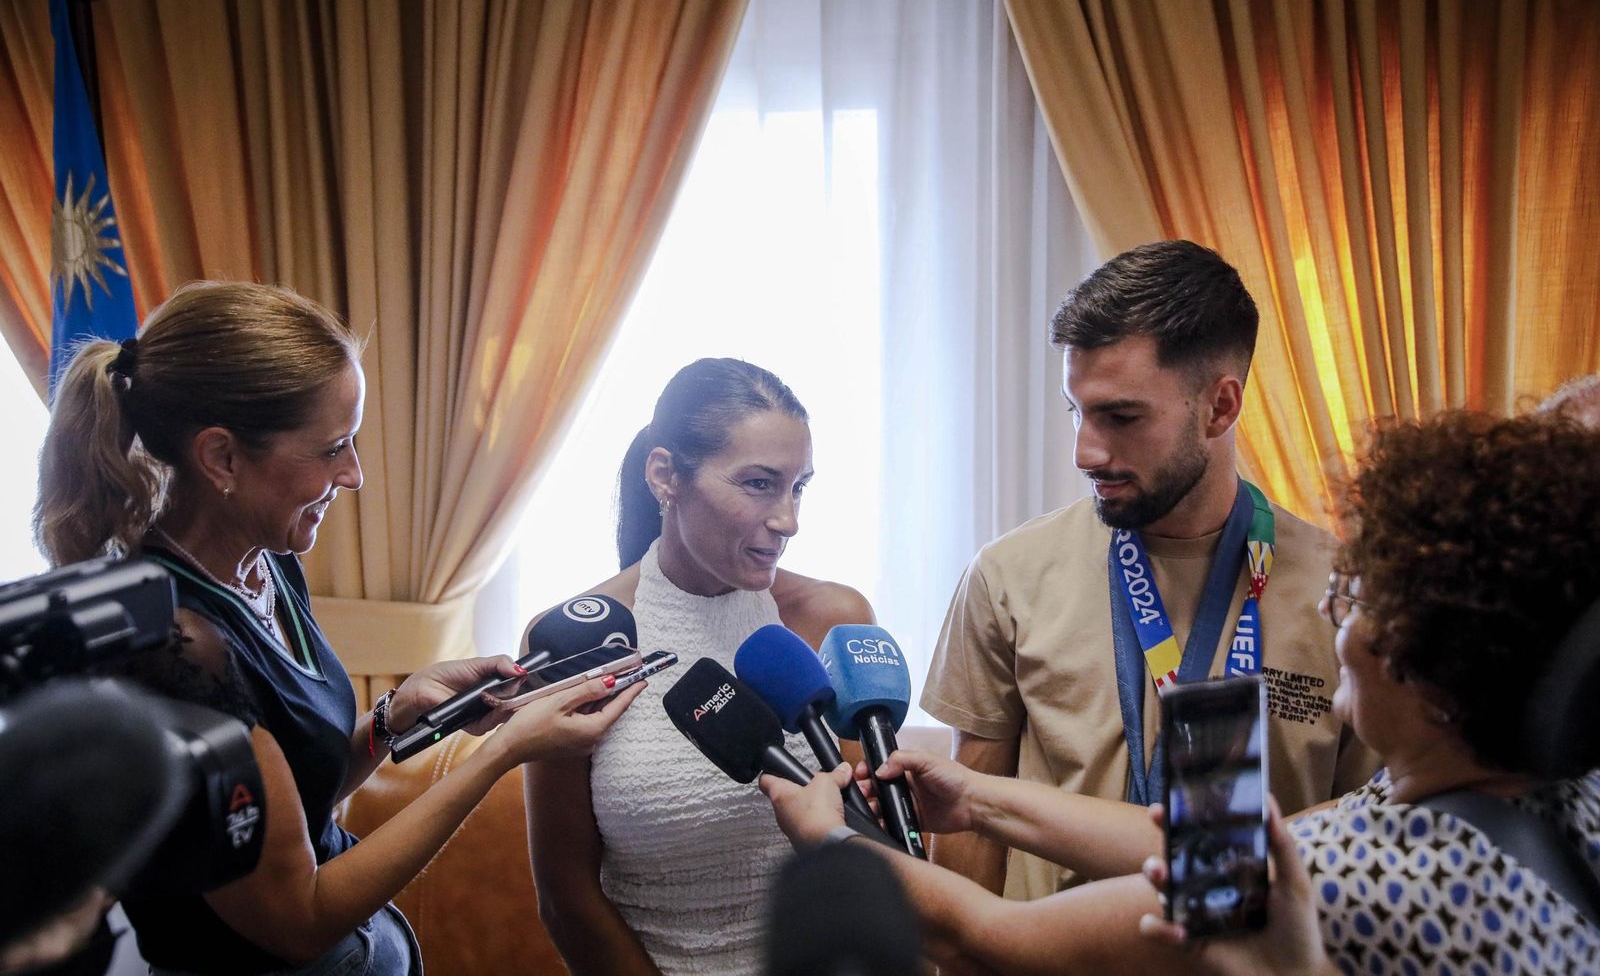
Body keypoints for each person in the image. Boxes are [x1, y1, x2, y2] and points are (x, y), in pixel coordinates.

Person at [763, 411, 1600, 975]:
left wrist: (836, 847)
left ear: (1433, 668)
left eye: (1362, 600)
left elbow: (995, 933)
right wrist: (980, 799)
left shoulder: (1362, 876)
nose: (1338, 621)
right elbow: (1208, 848)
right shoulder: (1560, 801)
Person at [33, 282, 643, 975]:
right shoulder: (169, 646)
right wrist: (503, 755)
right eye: (333, 448)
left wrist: (392, 718)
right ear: (223, 458)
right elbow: (298, 917)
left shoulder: (267, 562)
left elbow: (294, 787)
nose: (353, 475)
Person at [920, 240, 1378, 901]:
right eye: (1076, 410)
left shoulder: (1347, 593)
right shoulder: (1007, 577)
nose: (1085, 450)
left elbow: (1370, 826)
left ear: (1220, 407)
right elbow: (969, 822)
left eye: (1121, 416)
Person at [525, 357, 874, 976]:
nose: (788, 520)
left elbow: (874, 851)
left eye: (798, 486)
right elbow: (566, 896)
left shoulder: (833, 617)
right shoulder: (578, 641)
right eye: (759, 483)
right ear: (665, 475)